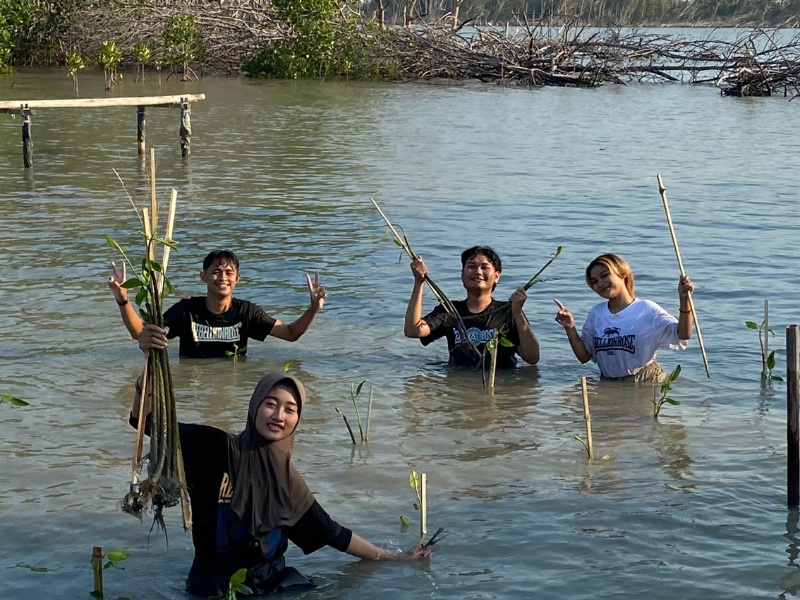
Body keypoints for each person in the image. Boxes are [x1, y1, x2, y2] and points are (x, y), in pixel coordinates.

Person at [128, 347, 431, 596]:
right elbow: (147, 420)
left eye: (290, 409)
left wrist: (396, 559)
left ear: (298, 419)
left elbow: (332, 533)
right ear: (254, 407)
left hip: (272, 585)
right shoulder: (215, 447)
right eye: (270, 404)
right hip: (212, 586)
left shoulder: (289, 482)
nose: (278, 415)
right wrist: (149, 371)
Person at [108, 250, 326, 358]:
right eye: (216, 272)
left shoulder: (247, 312)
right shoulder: (187, 310)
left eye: (229, 273)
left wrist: (313, 309)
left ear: (237, 279)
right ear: (203, 277)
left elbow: (290, 333)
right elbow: (141, 334)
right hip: (193, 385)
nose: (223, 278)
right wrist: (123, 300)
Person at [554, 253, 695, 382]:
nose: (600, 283)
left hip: (645, 381)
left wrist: (684, 300)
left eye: (604, 275)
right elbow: (584, 357)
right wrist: (570, 328)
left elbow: (683, 334)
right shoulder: (596, 313)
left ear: (622, 274)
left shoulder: (646, 309)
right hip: (609, 383)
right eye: (594, 281)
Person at [403, 246, 540, 368]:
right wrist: (418, 283)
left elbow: (532, 358)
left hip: (501, 386)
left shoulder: (508, 311)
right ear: (462, 275)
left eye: (485, 267)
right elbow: (413, 330)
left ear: (497, 276)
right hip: (460, 385)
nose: (478, 272)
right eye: (471, 267)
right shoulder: (450, 311)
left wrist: (518, 313)